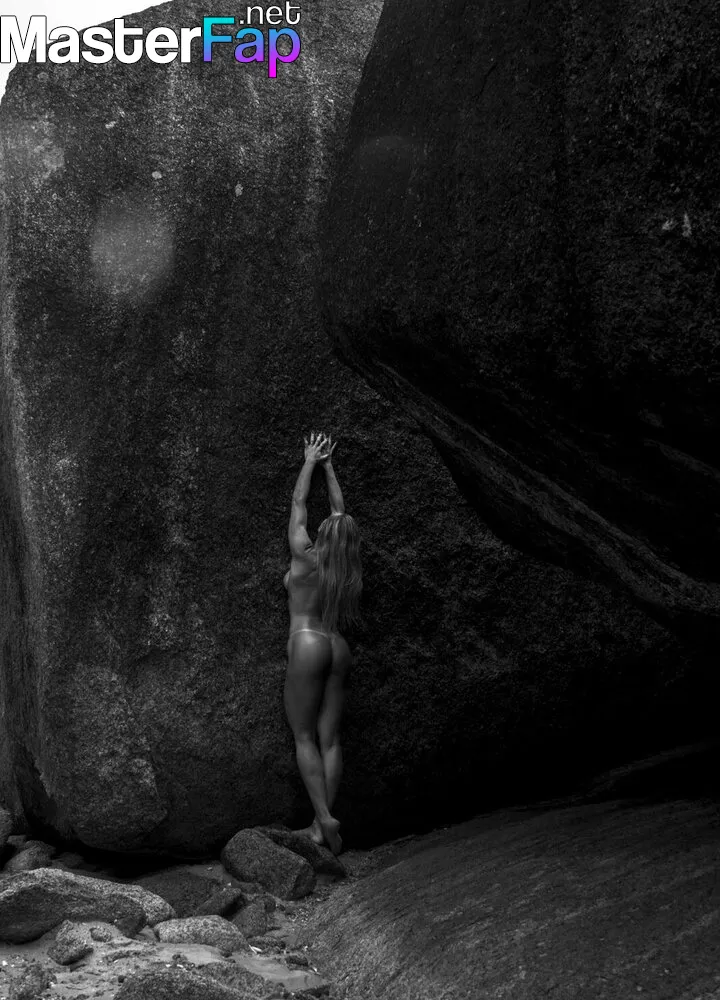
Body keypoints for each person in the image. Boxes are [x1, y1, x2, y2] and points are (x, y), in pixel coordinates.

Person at [283, 431, 362, 855]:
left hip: (307, 642)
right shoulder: (342, 565)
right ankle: (320, 826)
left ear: (323, 534)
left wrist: (310, 461)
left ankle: (324, 818)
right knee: (331, 739)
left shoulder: (304, 554)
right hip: (337, 645)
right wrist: (331, 467)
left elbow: (299, 505)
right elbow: (340, 514)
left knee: (303, 735)